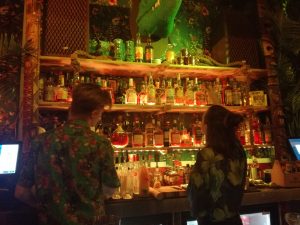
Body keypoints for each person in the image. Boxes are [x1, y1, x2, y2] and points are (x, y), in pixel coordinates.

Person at [15, 83, 120, 225]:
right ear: (94, 113)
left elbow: (21, 192)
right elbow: (111, 188)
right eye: (100, 113)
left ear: (71, 109)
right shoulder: (100, 144)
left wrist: (48, 208)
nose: (99, 118)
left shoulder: (41, 141)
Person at [187, 104, 247, 225]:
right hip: (234, 221)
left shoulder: (207, 154)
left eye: (203, 123)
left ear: (208, 127)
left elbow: (196, 193)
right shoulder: (239, 151)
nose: (201, 126)